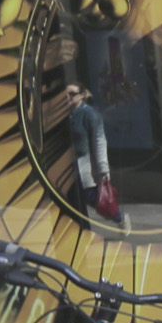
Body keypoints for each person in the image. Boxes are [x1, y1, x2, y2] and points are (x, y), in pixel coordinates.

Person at [59, 82, 114, 222]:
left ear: (82, 95)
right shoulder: (63, 114)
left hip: (85, 163)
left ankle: (117, 216)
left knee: (90, 197)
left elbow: (99, 140)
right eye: (65, 94)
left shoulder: (89, 114)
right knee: (74, 199)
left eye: (72, 94)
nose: (68, 97)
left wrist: (103, 168)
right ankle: (81, 228)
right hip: (67, 164)